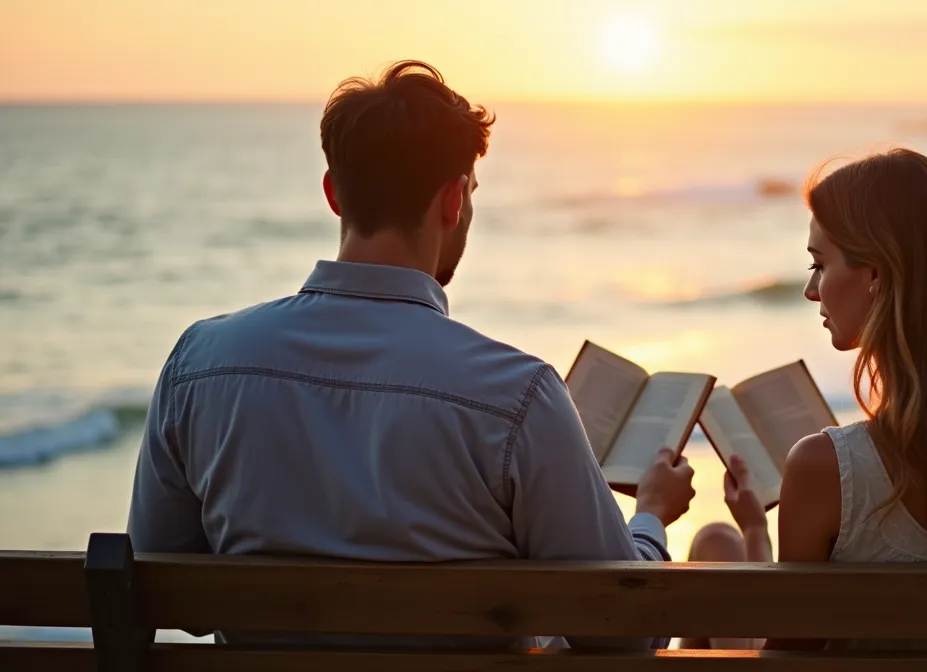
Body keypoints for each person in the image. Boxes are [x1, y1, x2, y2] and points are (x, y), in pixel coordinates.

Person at [125, 60, 695, 650]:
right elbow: (620, 634)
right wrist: (649, 516)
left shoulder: (199, 365)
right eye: (470, 190)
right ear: (453, 200)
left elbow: (161, 582)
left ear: (332, 193)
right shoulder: (516, 394)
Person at [684, 148, 927, 652]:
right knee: (721, 544)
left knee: (713, 547)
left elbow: (783, 662)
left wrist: (758, 533)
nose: (811, 290)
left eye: (819, 264)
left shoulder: (823, 467)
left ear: (875, 274)